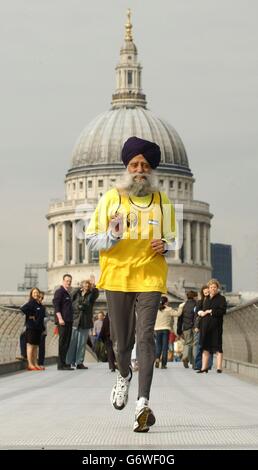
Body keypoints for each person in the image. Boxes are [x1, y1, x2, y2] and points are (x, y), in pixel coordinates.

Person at [86, 136, 176, 432]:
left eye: (146, 165)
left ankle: (143, 403)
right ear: (127, 166)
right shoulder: (111, 198)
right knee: (121, 344)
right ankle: (123, 376)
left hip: (150, 276)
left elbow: (174, 239)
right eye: (135, 164)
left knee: (146, 337)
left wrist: (165, 244)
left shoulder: (162, 200)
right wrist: (112, 235)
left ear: (152, 170)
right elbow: (90, 240)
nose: (140, 169)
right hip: (117, 276)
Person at [66, 279, 99, 369]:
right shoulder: (76, 294)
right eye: (85, 285)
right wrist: (77, 289)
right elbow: (70, 296)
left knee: (81, 344)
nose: (86, 287)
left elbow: (96, 293)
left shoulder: (91, 295)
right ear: (82, 286)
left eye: (88, 285)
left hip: (85, 322)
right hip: (75, 321)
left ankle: (79, 362)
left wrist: (94, 286)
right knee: (72, 343)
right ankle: (69, 361)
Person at [197, 279, 227, 373]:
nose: (213, 289)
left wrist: (211, 311)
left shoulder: (221, 298)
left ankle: (219, 367)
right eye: (211, 287)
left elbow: (222, 311)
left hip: (216, 326)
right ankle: (204, 368)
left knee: (218, 347)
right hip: (205, 326)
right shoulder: (206, 299)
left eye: (214, 287)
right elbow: (199, 309)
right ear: (208, 288)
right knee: (205, 347)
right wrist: (201, 312)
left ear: (217, 288)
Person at [20, 287, 45, 370]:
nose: (36, 294)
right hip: (31, 327)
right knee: (30, 345)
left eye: (37, 292)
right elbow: (23, 308)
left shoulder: (39, 304)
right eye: (34, 292)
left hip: (38, 328)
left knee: (35, 346)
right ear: (31, 294)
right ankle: (30, 364)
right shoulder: (31, 302)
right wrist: (30, 315)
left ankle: (35, 363)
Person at [53, 274, 74, 370]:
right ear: (63, 281)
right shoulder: (59, 292)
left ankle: (64, 362)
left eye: (70, 281)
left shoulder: (67, 293)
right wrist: (60, 318)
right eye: (67, 281)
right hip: (63, 321)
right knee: (62, 342)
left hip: (69, 321)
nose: (68, 282)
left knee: (67, 342)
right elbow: (56, 306)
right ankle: (60, 364)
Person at [177, 290, 198, 368]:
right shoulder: (197, 304)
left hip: (185, 327)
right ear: (194, 297)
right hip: (195, 327)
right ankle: (194, 362)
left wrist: (179, 330)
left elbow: (180, 319)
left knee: (187, 343)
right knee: (194, 344)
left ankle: (185, 356)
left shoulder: (183, 305)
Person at [154, 296, 174, 369]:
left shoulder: (156, 309)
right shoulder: (169, 309)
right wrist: (181, 307)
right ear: (166, 302)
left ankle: (157, 358)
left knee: (158, 345)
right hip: (166, 329)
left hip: (157, 329)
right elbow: (177, 314)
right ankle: (163, 364)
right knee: (165, 347)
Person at [38, 290, 48, 368]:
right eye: (39, 297)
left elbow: (47, 317)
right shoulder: (31, 305)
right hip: (33, 329)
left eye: (42, 298)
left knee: (41, 347)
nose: (41, 299)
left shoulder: (44, 307)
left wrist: (41, 320)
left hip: (42, 330)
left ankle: (41, 363)